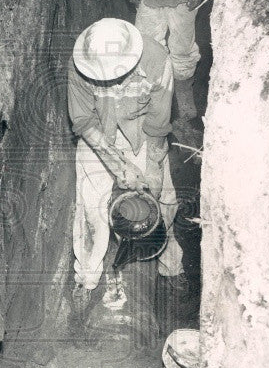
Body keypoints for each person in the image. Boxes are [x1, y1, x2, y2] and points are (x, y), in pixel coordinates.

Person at [67, 17, 183, 306]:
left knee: (163, 202)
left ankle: (171, 268)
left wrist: (152, 169)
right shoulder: (83, 62)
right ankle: (87, 276)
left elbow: (158, 124)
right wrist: (118, 167)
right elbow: (82, 119)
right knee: (90, 207)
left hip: (143, 133)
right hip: (99, 134)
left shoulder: (157, 60)